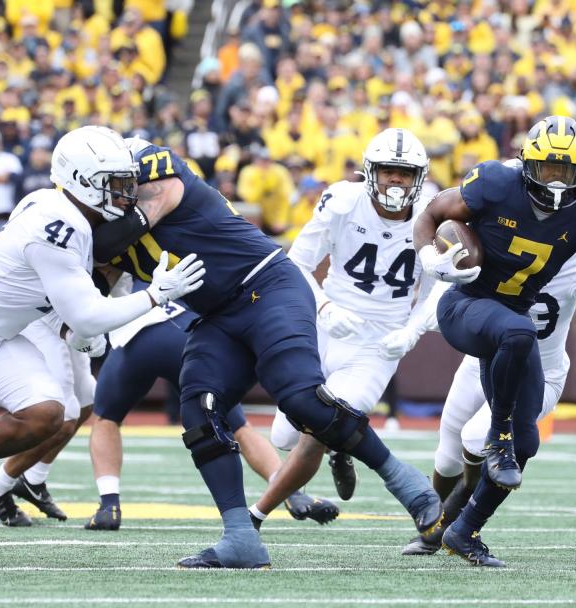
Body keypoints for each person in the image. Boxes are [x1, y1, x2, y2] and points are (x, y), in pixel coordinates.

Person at [89, 135, 441, 569]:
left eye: (121, 180)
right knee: (199, 405)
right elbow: (92, 285)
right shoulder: (100, 222)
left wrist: (90, 235)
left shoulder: (158, 178)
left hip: (267, 285)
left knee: (300, 396)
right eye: (108, 184)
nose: (118, 190)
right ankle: (241, 538)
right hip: (217, 314)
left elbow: (142, 212)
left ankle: (408, 484)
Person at [413, 115, 576, 566]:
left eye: (568, 172)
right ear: (526, 164)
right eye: (548, 169)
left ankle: (464, 531)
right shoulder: (495, 183)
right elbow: (430, 214)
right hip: (467, 305)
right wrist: (429, 257)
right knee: (516, 337)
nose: (557, 183)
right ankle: (494, 439)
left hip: (512, 327)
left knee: (527, 445)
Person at [0, 125, 205, 534]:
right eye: (115, 183)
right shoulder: (61, 224)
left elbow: (72, 303)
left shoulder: (63, 210)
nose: (125, 191)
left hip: (1, 334)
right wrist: (154, 296)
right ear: (83, 181)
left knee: (48, 414)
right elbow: (85, 316)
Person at [403, 252, 576, 555]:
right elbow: (448, 287)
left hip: (539, 375)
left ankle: (454, 525)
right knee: (448, 455)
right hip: (482, 361)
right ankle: (430, 522)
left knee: (476, 439)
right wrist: (412, 330)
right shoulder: (502, 235)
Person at [248, 127, 438, 526]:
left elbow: (438, 292)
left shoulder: (433, 214)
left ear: (419, 177)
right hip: (325, 327)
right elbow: (296, 262)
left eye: (405, 173)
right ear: (371, 170)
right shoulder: (343, 201)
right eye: (388, 170)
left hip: (378, 340)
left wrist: (411, 332)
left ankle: (256, 516)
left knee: (319, 424)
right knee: (283, 437)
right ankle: (342, 444)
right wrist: (324, 306)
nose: (396, 180)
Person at [84, 276, 339, 531]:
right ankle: (290, 492)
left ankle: (109, 505)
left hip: (136, 338)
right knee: (238, 425)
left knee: (106, 418)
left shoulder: (118, 255)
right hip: (184, 334)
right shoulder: (174, 250)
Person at [0, 311, 101, 527]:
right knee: (64, 414)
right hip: (45, 316)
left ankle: (33, 479)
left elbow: (121, 288)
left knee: (86, 400)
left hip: (73, 317)